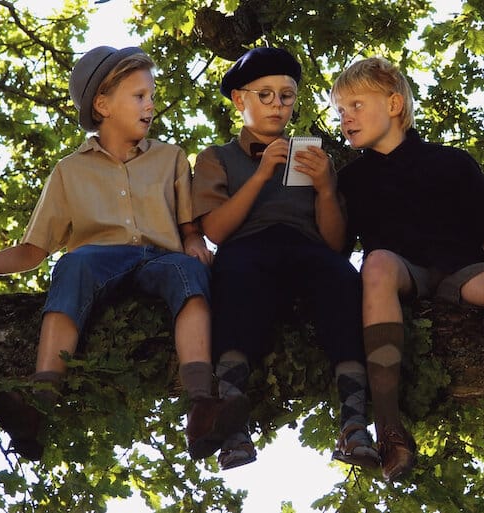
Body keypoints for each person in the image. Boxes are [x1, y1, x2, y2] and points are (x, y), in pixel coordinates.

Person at [0, 46, 248, 463]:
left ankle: (201, 404)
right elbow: (34, 250)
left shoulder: (170, 158)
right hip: (99, 260)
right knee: (73, 264)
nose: (150, 105)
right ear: (102, 104)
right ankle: (40, 400)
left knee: (187, 273)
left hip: (159, 257)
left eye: (151, 96)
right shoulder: (70, 170)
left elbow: (189, 229)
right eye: (139, 96)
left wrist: (194, 244)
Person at [330, 56, 484, 501]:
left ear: (394, 103)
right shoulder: (350, 178)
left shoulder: (452, 162)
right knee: (378, 262)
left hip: (463, 273)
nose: (344, 117)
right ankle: (388, 428)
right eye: (339, 110)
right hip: (402, 273)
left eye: (355, 104)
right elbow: (336, 251)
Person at [191, 47, 379, 471]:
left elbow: (334, 244)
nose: (278, 105)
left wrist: (327, 188)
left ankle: (354, 423)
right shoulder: (215, 158)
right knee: (235, 278)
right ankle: (231, 424)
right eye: (266, 95)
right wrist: (260, 175)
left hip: (308, 250)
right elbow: (216, 231)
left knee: (343, 280)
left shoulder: (313, 156)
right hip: (246, 249)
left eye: (287, 96)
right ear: (241, 100)